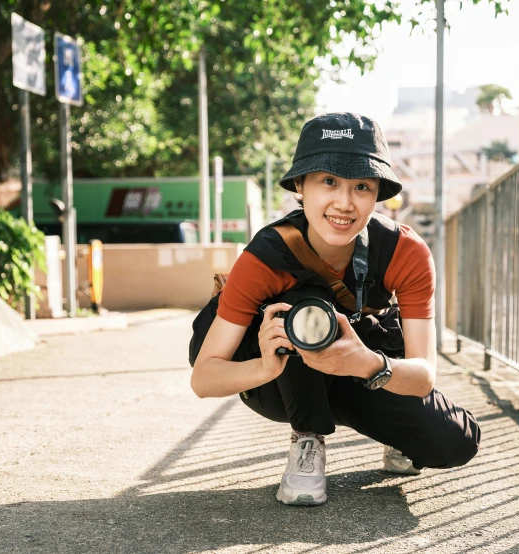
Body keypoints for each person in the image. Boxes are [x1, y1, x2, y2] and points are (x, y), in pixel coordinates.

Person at [191, 112, 480, 506]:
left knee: (453, 442)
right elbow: (203, 377)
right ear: (300, 185)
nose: (344, 203)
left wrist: (366, 363)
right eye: (328, 181)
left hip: (361, 371)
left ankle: (393, 434)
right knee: (298, 305)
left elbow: (425, 374)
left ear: (377, 192)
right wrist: (265, 365)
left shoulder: (406, 252)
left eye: (361, 186)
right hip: (281, 383)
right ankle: (307, 439)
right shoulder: (265, 257)